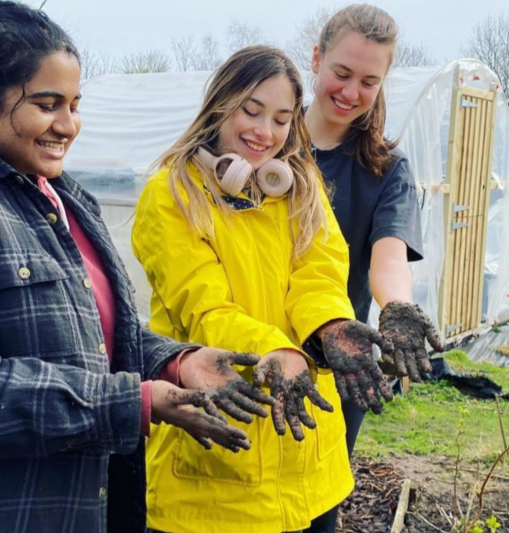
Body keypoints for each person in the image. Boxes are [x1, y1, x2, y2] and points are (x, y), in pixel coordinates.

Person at [0, 2, 271, 532]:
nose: (68, 125)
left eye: (75, 104)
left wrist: (175, 364)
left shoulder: (65, 197)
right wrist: (132, 403)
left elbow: (91, 339)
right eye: (47, 104)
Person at [132, 45, 397, 533]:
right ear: (219, 105)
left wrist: (332, 325)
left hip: (308, 457)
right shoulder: (171, 193)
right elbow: (204, 306)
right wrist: (275, 349)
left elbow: (318, 275)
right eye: (250, 111)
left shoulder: (301, 188)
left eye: (280, 119)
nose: (264, 133)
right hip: (217, 463)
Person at [303, 5, 446, 532]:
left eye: (369, 80)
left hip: (341, 360)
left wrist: (398, 306)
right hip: (258, 351)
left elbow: (388, 258)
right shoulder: (269, 141)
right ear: (316, 59)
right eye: (341, 73)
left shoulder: (385, 167)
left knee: (317, 512)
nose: (350, 92)